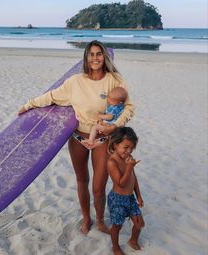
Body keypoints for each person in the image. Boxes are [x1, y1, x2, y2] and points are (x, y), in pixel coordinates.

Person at [18, 40, 134, 235]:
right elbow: (51, 96)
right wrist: (28, 105)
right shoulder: (75, 82)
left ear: (104, 57)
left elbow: (129, 107)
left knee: (99, 186)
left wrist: (115, 125)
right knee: (82, 180)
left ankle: (100, 220)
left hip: (103, 139)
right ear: (86, 58)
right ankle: (87, 219)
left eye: (99, 54)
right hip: (79, 137)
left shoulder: (114, 79)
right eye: (92, 54)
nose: (95, 58)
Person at [107, 127, 145, 255]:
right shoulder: (112, 162)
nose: (129, 151)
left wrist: (139, 196)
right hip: (117, 199)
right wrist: (129, 166)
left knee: (140, 223)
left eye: (132, 148)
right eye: (126, 147)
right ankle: (115, 247)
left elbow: (133, 179)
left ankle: (133, 241)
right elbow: (121, 183)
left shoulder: (128, 158)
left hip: (130, 198)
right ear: (116, 144)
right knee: (117, 226)